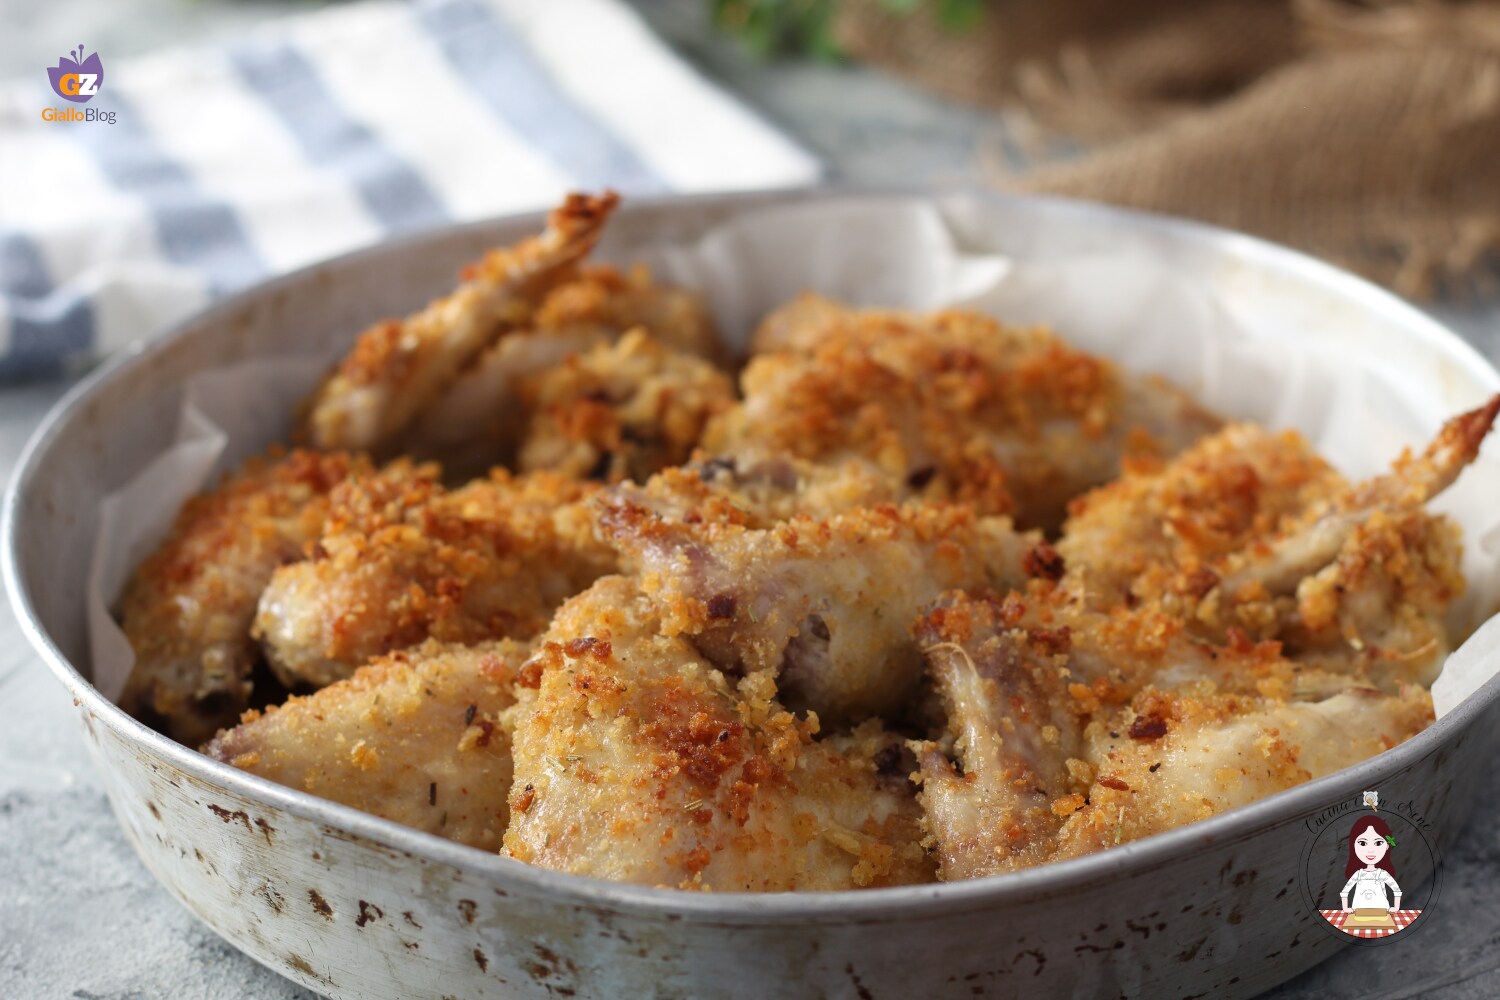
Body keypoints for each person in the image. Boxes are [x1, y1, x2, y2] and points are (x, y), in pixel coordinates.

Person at [1339, 816, 1402, 914]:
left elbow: (1396, 890)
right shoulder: (1358, 874)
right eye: (1362, 843)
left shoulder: (1382, 874)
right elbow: (1344, 892)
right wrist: (1346, 908)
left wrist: (1395, 907)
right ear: (1354, 846)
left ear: (1387, 846)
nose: (1370, 850)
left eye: (1378, 843)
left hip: (1381, 912)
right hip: (1359, 912)